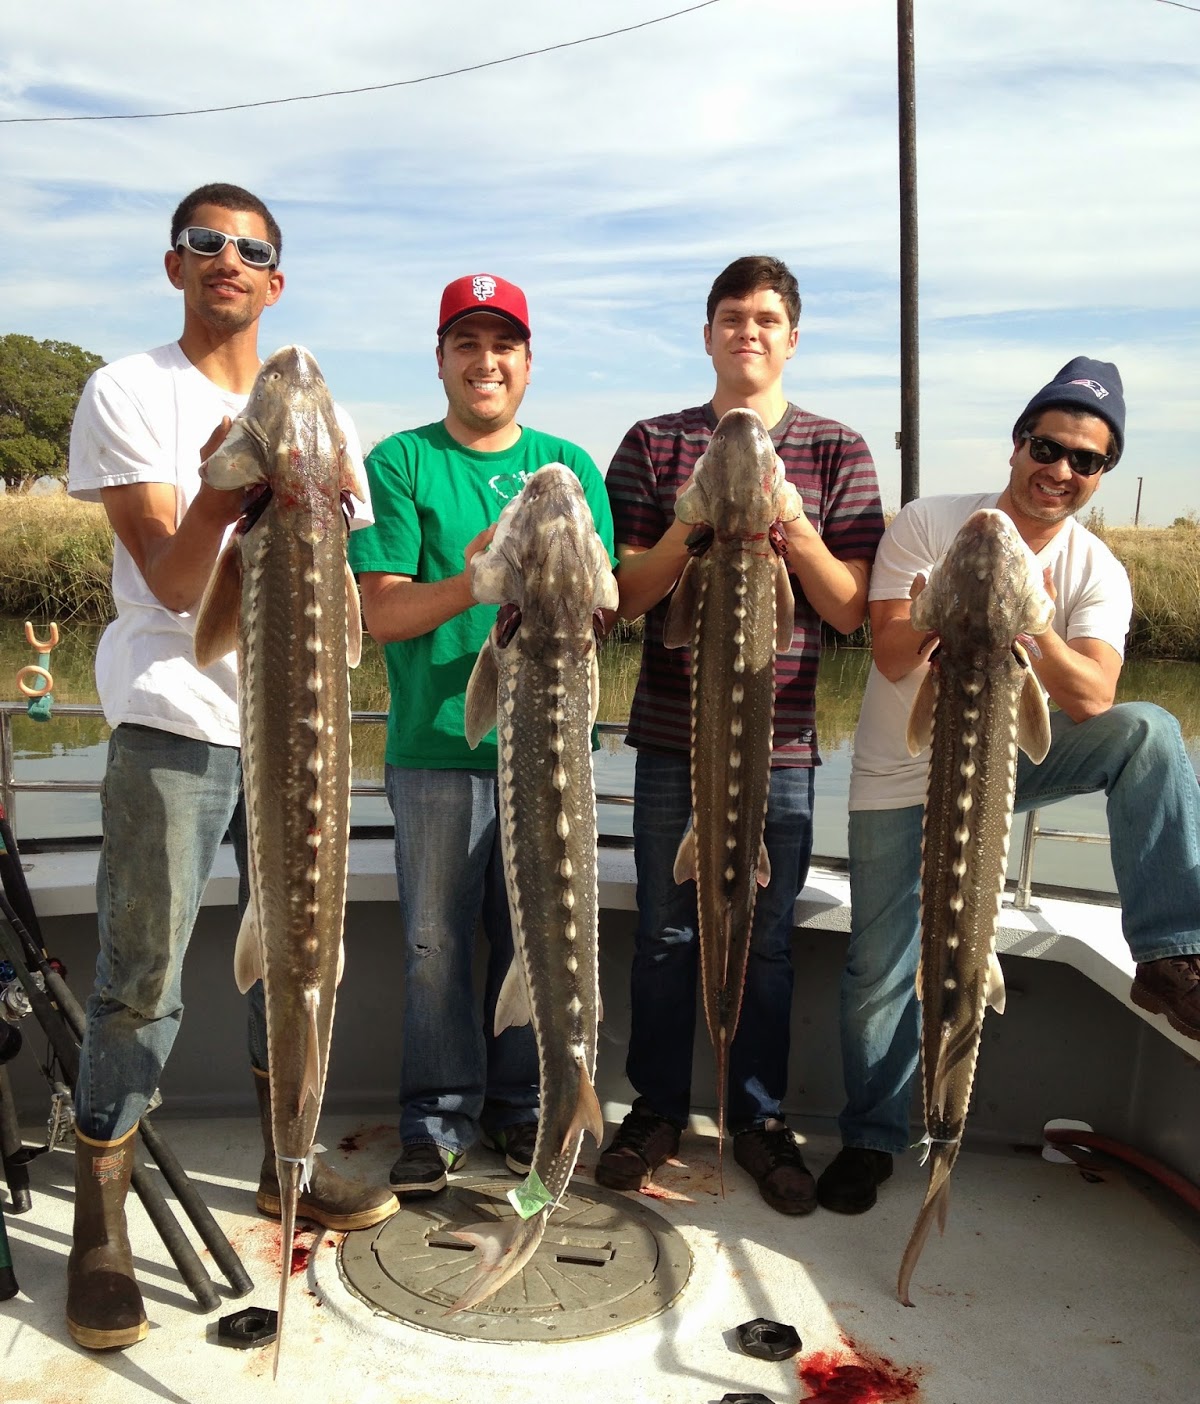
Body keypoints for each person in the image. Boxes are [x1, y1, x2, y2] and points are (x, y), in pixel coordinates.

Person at [65, 182, 397, 1351]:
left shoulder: (322, 412)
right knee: (142, 968)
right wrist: (225, 482)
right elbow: (166, 578)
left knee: (305, 951)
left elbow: (339, 580)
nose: (228, 262)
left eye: (250, 250)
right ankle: (101, 1224)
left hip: (298, 727)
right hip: (171, 714)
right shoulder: (127, 390)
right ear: (175, 265)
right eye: (205, 244)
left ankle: (281, 1159)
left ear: (276, 278)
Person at [824, 356, 1200, 1215]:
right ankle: (874, 1137)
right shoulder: (930, 523)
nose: (1060, 470)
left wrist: (1028, 622)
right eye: (1047, 445)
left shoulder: (1096, 570)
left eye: (1085, 459)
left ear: (1102, 473)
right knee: (880, 969)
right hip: (901, 772)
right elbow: (886, 659)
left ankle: (1174, 952)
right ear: (1018, 443)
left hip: (1006, 762)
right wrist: (940, 612)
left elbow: (1092, 696)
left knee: (1149, 729)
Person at [596, 255, 885, 1215]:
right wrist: (691, 530)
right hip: (674, 736)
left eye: (767, 318)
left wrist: (788, 526)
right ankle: (658, 1109)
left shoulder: (838, 450)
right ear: (708, 331)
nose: (747, 332)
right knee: (668, 933)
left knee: (764, 937)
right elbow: (625, 600)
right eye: (731, 316)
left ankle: (757, 1117)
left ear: (792, 336)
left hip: (785, 748)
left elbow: (850, 614)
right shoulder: (654, 443)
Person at [350, 273, 616, 1197]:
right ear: (441, 359)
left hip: (552, 761)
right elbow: (380, 614)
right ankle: (435, 1119)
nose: (485, 359)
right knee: (434, 945)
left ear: (528, 363)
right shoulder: (401, 462)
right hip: (434, 750)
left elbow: (605, 603)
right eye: (467, 343)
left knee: (536, 938)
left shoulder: (568, 466)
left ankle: (524, 1110)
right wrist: (475, 582)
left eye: (503, 344)